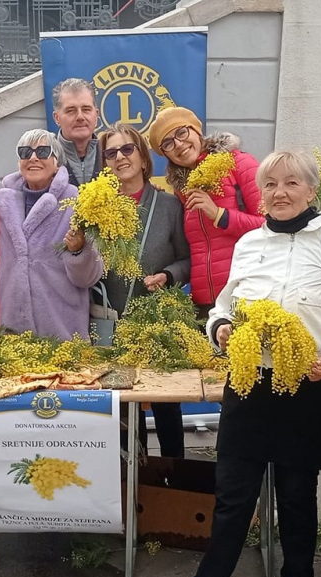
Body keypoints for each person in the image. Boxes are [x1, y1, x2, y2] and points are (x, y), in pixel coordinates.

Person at [173, 150, 321, 577]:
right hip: (248, 381)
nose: (280, 193)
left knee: (297, 494)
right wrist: (220, 330)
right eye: (271, 184)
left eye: (292, 183)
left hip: (307, 384)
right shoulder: (249, 243)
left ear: (312, 189)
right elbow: (221, 307)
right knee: (233, 492)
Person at [98, 123, 192, 457]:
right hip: (109, 326)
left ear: (142, 157)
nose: (120, 158)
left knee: (166, 407)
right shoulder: (97, 208)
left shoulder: (169, 206)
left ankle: (175, 478)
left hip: (157, 323)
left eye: (127, 149)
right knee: (120, 409)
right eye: (110, 153)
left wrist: (168, 275)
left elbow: (187, 260)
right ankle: (129, 484)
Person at [148, 106, 264, 317]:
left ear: (195, 130)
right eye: (168, 143)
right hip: (204, 305)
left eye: (182, 132)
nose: (179, 144)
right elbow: (193, 251)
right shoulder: (182, 190)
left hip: (244, 296)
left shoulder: (239, 163)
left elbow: (270, 226)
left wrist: (220, 215)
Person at [0, 129, 103, 338]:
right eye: (25, 152)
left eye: (43, 151)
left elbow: (89, 277)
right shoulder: (2, 204)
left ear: (57, 163)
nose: (33, 157)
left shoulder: (76, 203)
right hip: (11, 331)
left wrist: (79, 250)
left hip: (61, 329)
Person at [52, 78, 101, 186]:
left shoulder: (111, 154)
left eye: (86, 109)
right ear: (57, 118)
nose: (80, 117)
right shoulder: (44, 156)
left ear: (96, 115)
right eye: (71, 111)